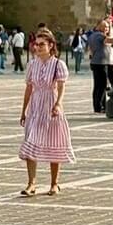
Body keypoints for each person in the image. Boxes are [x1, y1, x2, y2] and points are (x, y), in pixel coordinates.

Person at [18, 29, 74, 197]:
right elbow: (29, 88)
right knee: (30, 141)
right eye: (36, 44)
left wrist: (58, 104)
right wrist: (24, 111)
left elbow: (62, 87)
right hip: (35, 106)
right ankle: (31, 183)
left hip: (51, 105)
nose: (38, 47)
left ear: (51, 46)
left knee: (54, 142)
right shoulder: (32, 64)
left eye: (42, 44)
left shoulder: (58, 64)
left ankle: (55, 183)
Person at [88, 18, 113, 114]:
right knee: (100, 86)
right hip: (100, 63)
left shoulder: (95, 35)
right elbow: (108, 41)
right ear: (98, 27)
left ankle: (102, 105)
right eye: (104, 26)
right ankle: (99, 106)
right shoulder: (98, 35)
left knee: (101, 86)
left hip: (103, 62)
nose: (106, 29)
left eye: (107, 27)